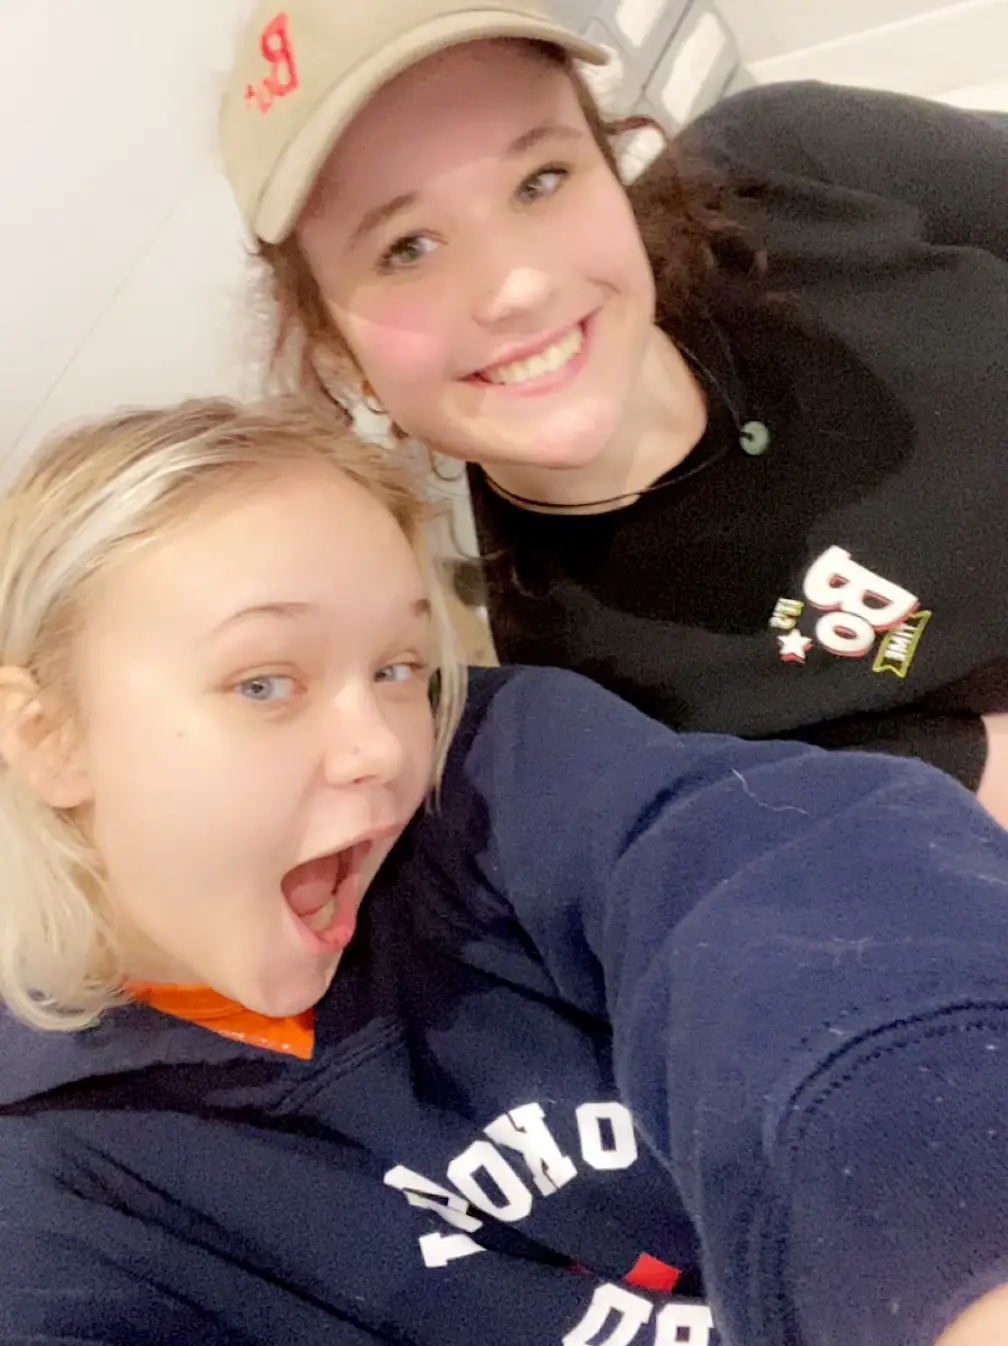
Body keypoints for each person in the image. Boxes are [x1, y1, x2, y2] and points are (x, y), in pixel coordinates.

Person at [1, 394, 1008, 1346]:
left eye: (397, 667)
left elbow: (776, 873)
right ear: (47, 736)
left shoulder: (491, 771)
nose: (381, 748)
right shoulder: (55, 1185)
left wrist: (948, 1233)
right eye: (264, 682)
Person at [218, 0, 1008, 825]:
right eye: (406, 247)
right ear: (335, 347)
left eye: (540, 181)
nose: (518, 286)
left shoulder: (793, 160)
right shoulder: (620, 712)